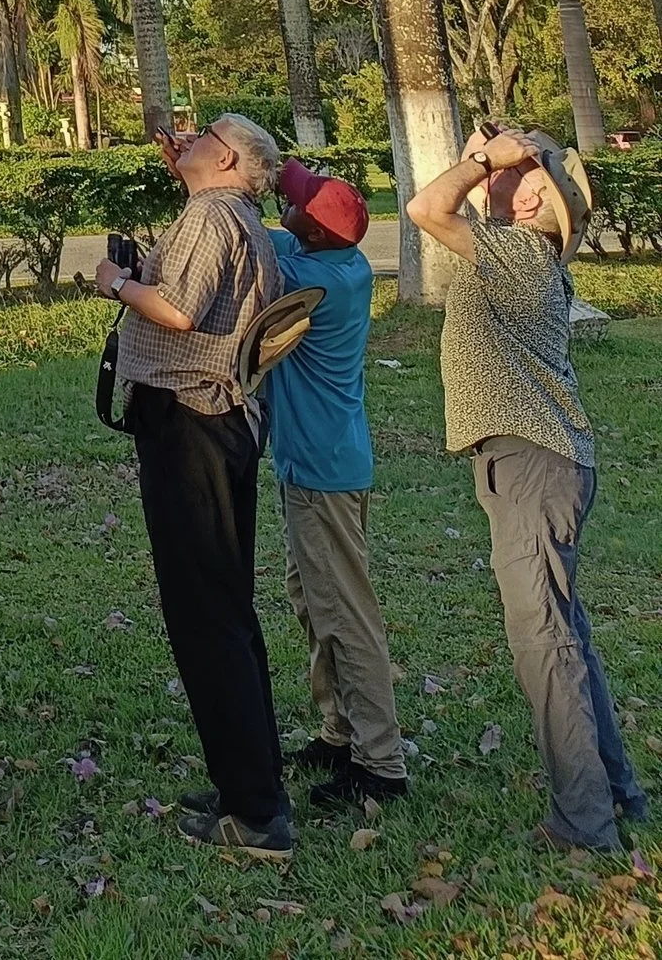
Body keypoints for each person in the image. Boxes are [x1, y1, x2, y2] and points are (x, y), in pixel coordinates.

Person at [407, 126, 646, 854]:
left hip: (532, 463)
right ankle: (617, 793)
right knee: (563, 634)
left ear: (537, 191)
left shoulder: (519, 251)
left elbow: (423, 207)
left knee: (542, 640)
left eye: (521, 164)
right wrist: (491, 158)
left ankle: (584, 825)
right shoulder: (517, 252)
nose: (498, 167)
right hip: (540, 460)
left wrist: (483, 160)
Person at [92, 111, 292, 860]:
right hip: (223, 417)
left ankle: (257, 811)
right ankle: (254, 780)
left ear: (232, 155)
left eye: (205, 132)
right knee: (227, 605)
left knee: (204, 610)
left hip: (190, 418)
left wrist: (116, 281)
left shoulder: (213, 212)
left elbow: (176, 310)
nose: (188, 138)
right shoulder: (231, 214)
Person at [264, 160, 407, 806]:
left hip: (322, 469)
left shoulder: (307, 277)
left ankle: (380, 764)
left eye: (293, 204)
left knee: (347, 615)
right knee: (311, 597)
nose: (282, 207)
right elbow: (281, 227)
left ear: (311, 230)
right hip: (325, 459)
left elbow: (240, 234)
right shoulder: (339, 260)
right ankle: (339, 728)